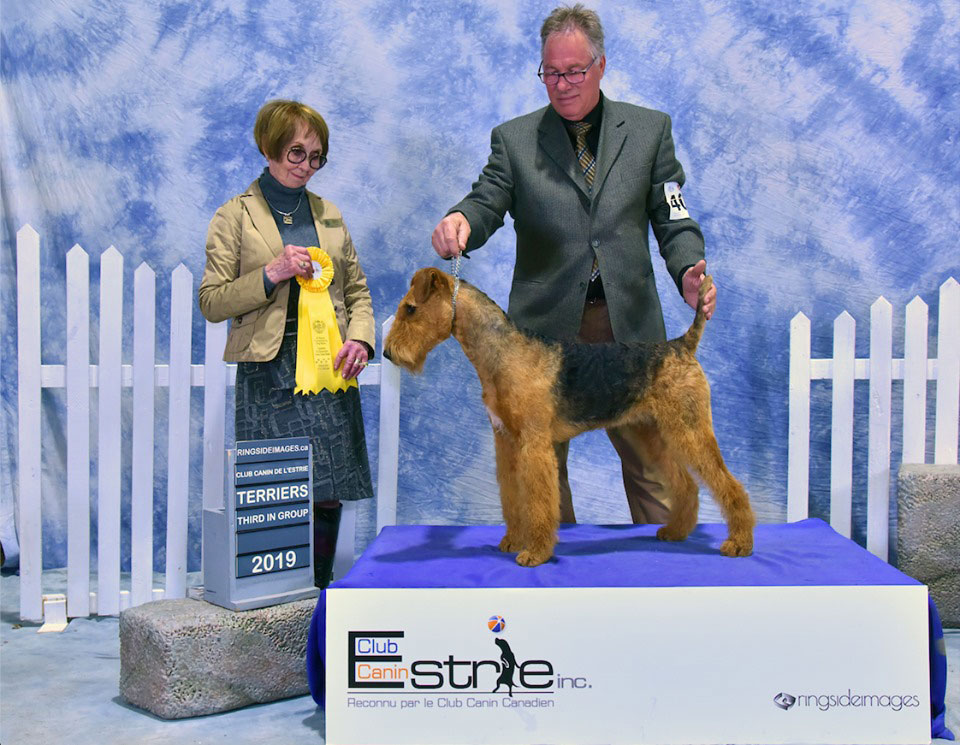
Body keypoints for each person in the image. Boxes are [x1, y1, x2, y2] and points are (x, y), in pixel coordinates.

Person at [431, 4, 717, 525]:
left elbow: (673, 215)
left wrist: (687, 270)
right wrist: (461, 219)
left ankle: (665, 562)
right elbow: (487, 198)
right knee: (538, 462)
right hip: (542, 332)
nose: (561, 85)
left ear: (601, 66)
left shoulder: (650, 130)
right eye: (551, 73)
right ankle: (549, 562)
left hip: (628, 327)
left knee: (653, 465)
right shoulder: (513, 140)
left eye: (574, 72)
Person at [199, 99, 375, 588]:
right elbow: (211, 301)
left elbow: (357, 291)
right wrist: (270, 273)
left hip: (328, 367)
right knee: (273, 488)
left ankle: (315, 592)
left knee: (328, 488)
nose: (306, 166)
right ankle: (272, 595)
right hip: (268, 370)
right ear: (268, 147)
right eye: (296, 153)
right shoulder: (234, 216)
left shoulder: (329, 214)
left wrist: (360, 340)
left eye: (317, 156)